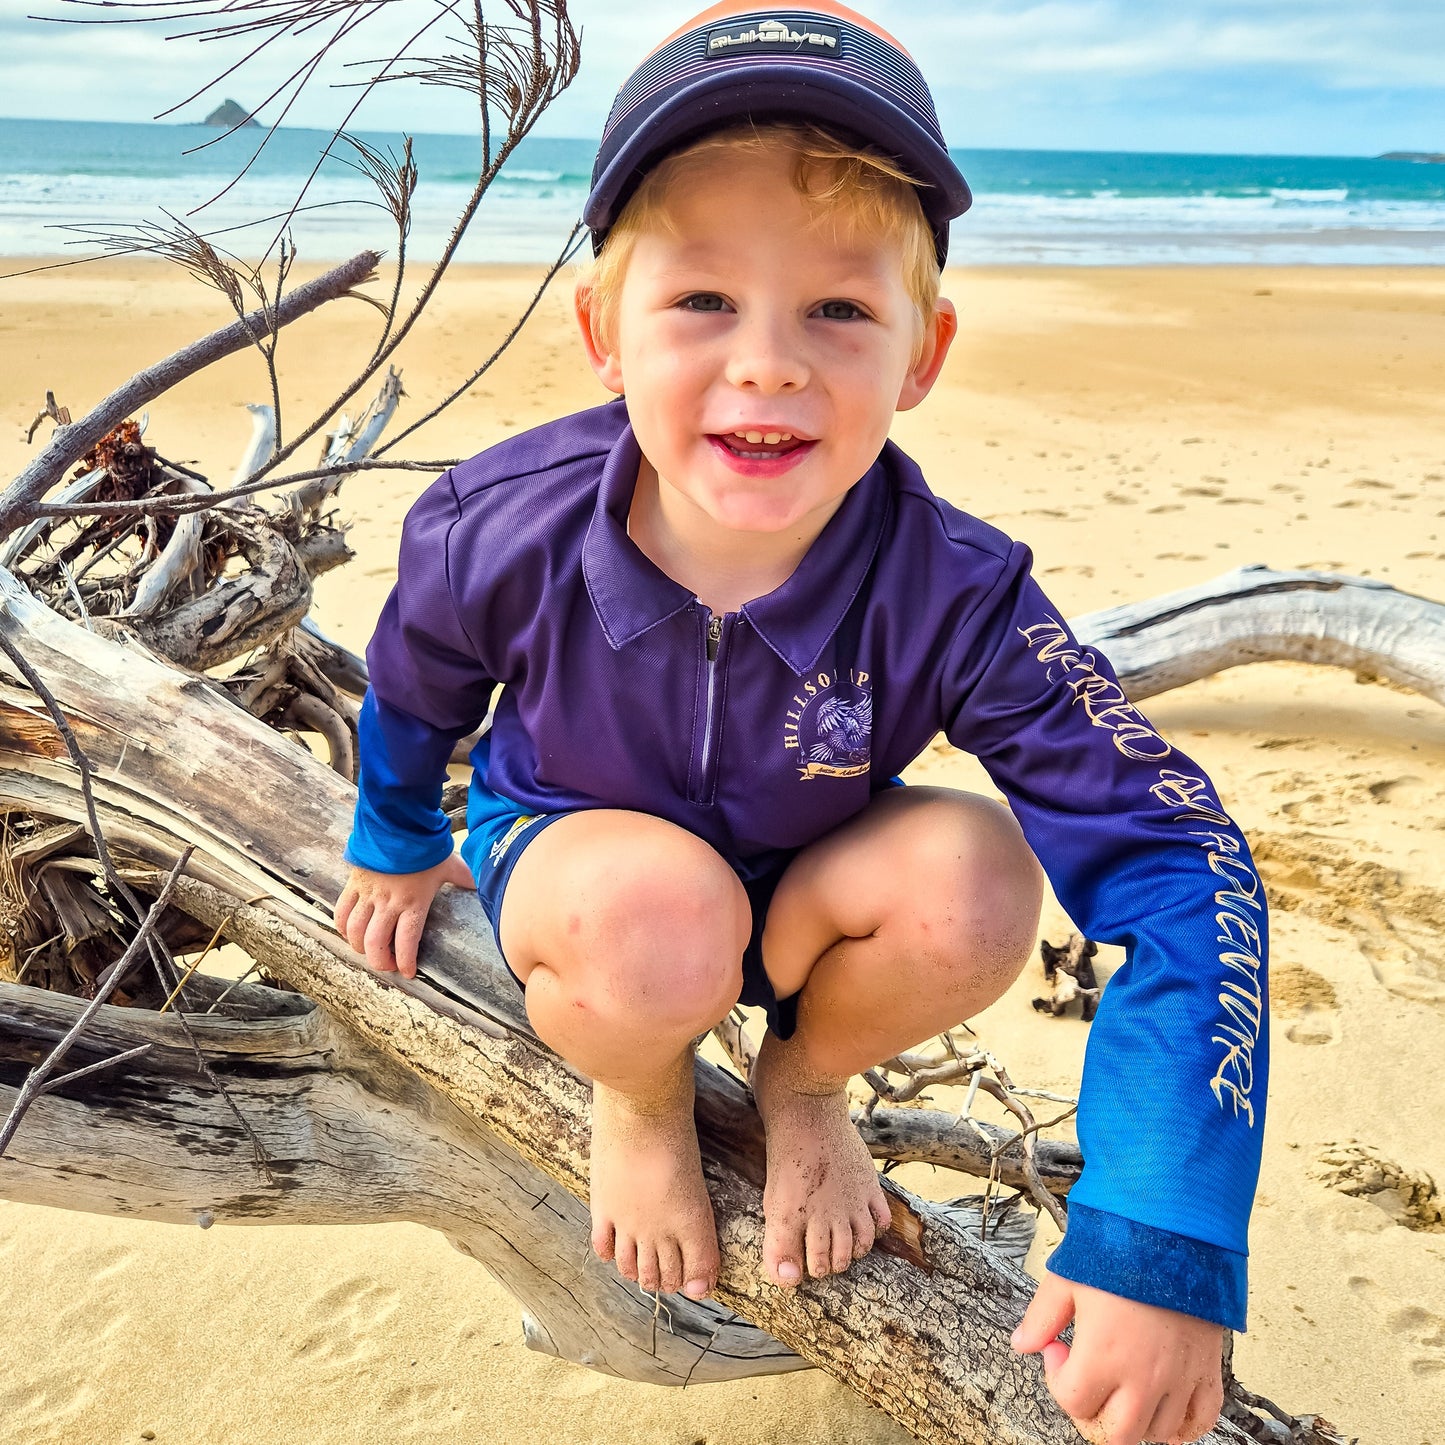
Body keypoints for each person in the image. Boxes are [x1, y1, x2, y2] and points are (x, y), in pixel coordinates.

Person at [334, 5, 1268, 1442]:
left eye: (836, 310)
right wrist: (395, 834)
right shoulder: (491, 521)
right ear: (603, 331)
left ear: (921, 353)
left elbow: (1177, 848)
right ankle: (640, 1096)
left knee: (974, 880)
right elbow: (417, 683)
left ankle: (805, 1079)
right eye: (701, 302)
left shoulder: (955, 588)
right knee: (655, 919)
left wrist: (1162, 1227)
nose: (767, 362)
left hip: (805, 870)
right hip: (581, 857)